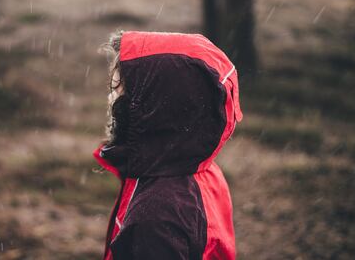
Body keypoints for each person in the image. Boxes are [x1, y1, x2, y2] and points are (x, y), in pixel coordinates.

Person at [93, 31, 243, 260]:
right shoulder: (198, 169)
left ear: (156, 111)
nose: (110, 100)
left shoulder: (156, 218)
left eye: (117, 91)